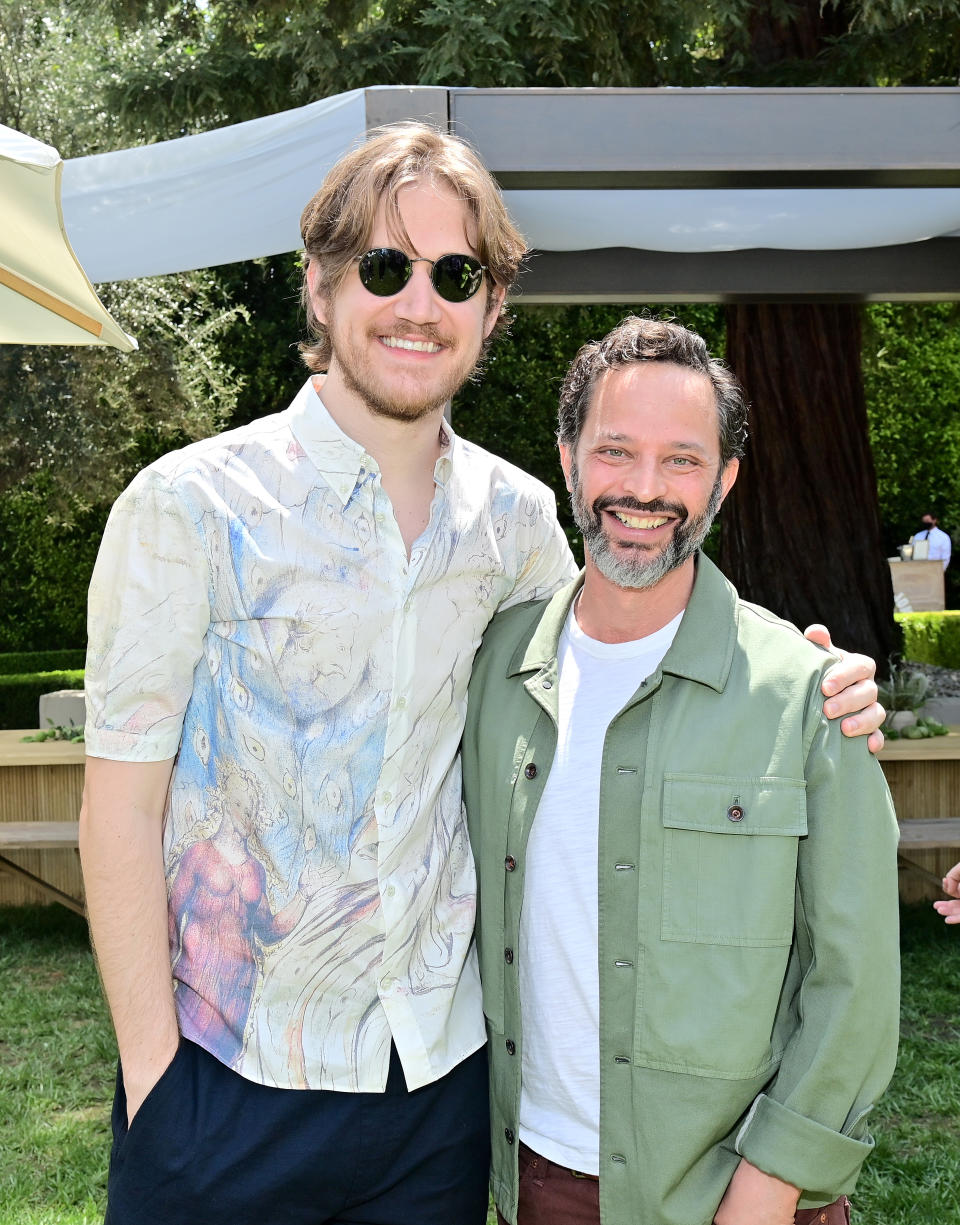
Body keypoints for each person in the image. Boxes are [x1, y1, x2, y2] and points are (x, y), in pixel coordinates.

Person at [80, 125, 885, 1225]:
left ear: (492, 309)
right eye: (383, 266)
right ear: (318, 286)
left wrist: (808, 679)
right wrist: (155, 1079)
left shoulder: (517, 527)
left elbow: (621, 648)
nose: (420, 302)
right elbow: (117, 808)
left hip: (442, 1102)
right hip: (229, 1081)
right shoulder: (186, 507)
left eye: (455, 274)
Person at [462, 316, 900, 1225]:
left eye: (684, 460)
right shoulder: (492, 669)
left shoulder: (808, 698)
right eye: (616, 450)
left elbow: (855, 983)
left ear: (726, 479)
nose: (645, 489)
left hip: (739, 1195)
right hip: (538, 1182)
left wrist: (768, 1186)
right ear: (569, 459)